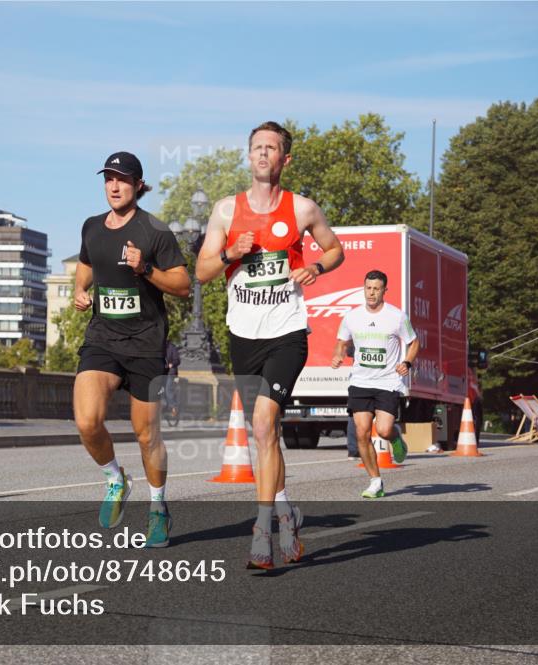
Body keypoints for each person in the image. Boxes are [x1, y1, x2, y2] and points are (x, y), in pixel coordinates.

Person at [196, 121, 343, 569]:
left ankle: (263, 531)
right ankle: (286, 513)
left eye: (271, 148)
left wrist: (316, 268)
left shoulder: (302, 209)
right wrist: (230, 253)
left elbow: (335, 250)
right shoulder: (224, 212)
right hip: (243, 335)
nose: (263, 154)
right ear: (249, 156)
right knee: (269, 434)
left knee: (262, 424)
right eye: (257, 147)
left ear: (285, 159)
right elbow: (201, 273)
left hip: (287, 332)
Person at [73, 151, 190, 547]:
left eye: (122, 179)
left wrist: (145, 270)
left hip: (146, 346)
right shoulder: (91, 227)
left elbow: (182, 284)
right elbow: (87, 264)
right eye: (108, 178)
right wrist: (79, 290)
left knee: (146, 435)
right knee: (88, 421)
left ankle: (158, 507)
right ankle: (115, 479)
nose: (114, 185)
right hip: (102, 339)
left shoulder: (155, 231)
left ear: (139, 185)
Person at [331, 270, 419, 498]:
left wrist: (407, 362)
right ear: (364, 288)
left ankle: (396, 437)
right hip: (360, 381)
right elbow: (342, 341)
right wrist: (338, 354)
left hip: (388, 381)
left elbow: (414, 342)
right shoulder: (352, 317)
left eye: (376, 288)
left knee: (383, 429)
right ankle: (375, 481)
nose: (371, 293)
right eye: (368, 288)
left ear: (384, 291)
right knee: (361, 433)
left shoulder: (397, 316)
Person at [164, 340, 180, 419]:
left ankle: (174, 407)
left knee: (168, 390)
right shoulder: (159, 347)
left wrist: (172, 364)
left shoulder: (172, 347)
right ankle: (165, 407)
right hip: (161, 372)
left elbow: (177, 360)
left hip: (171, 373)